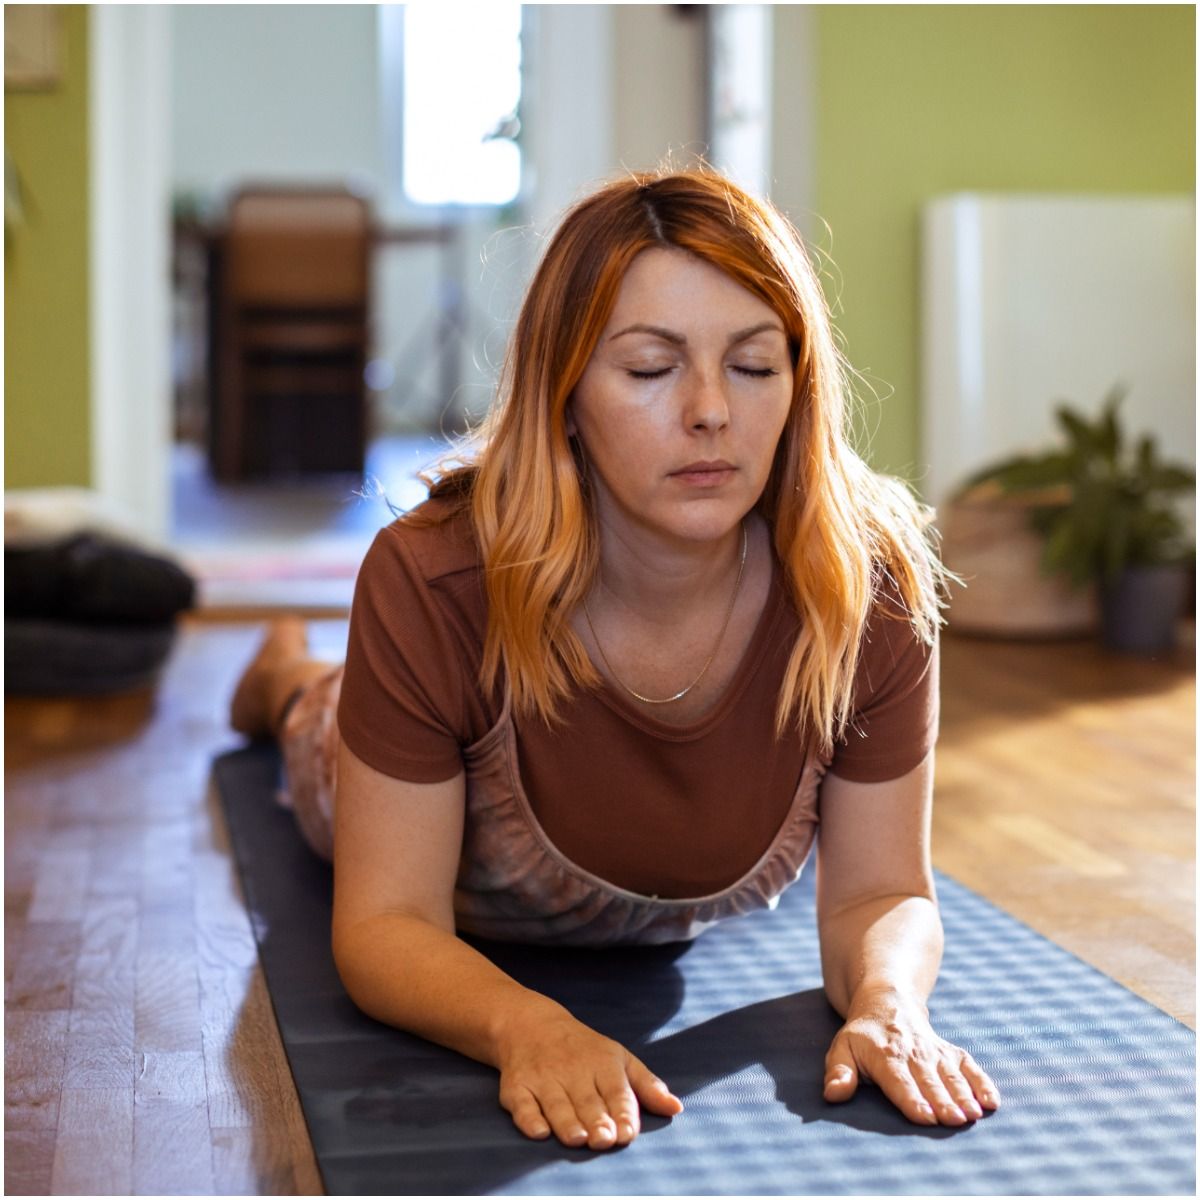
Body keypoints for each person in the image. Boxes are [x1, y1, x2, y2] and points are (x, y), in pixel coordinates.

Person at [230, 166, 1001, 1152]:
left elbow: (879, 894)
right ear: (565, 392)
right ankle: (288, 674)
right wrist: (531, 1028)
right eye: (649, 369)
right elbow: (385, 926)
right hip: (402, 809)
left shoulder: (870, 583)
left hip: (645, 910)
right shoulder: (432, 580)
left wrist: (892, 1003)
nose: (712, 411)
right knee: (318, 732)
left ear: (801, 386)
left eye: (756, 367)